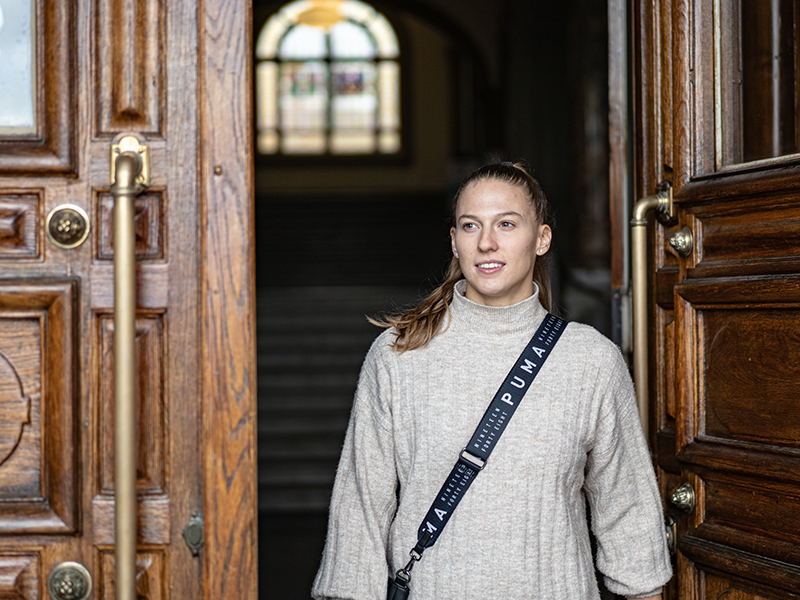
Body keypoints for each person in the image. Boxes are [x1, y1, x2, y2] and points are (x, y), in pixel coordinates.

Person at [312, 161, 672, 600]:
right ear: (454, 241)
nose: (486, 243)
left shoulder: (590, 360)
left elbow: (626, 507)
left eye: (506, 224)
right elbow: (361, 508)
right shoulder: (398, 355)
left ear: (541, 239)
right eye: (470, 226)